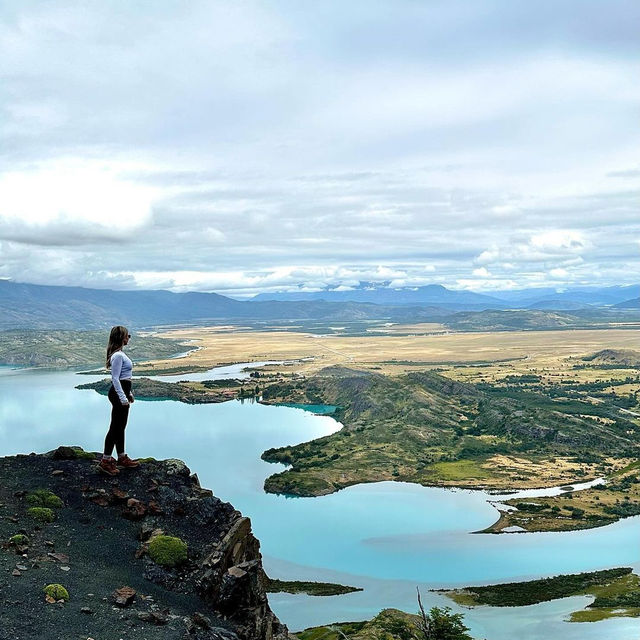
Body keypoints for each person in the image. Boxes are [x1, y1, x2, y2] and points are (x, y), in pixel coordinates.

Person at [99, 325, 140, 475]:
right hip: (118, 394)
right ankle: (105, 460)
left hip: (121, 393)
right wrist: (123, 396)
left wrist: (129, 394)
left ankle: (121, 457)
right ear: (121, 337)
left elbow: (124, 378)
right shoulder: (118, 356)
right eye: (127, 336)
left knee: (120, 427)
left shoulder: (120, 354)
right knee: (115, 427)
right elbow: (115, 379)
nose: (129, 338)